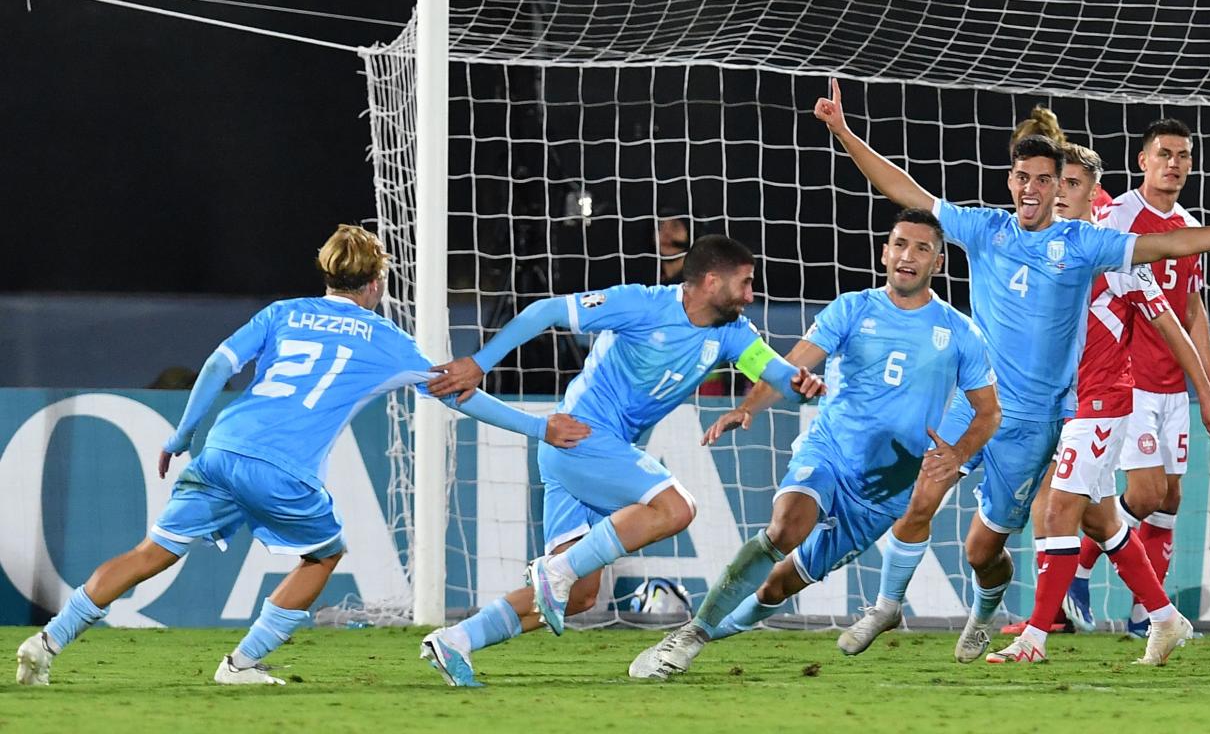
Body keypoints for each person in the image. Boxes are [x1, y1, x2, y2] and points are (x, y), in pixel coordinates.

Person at [815, 79, 1210, 663]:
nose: (1037, 190)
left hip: (1042, 417)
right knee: (929, 496)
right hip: (978, 402)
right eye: (1028, 178)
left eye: (1050, 180)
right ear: (1011, 182)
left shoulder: (1087, 243)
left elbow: (1172, 247)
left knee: (991, 545)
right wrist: (844, 132)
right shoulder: (984, 229)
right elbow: (906, 192)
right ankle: (891, 605)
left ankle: (1009, 613)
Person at [15, 225, 589, 688]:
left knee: (149, 552)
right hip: (281, 467)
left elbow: (217, 365)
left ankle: (46, 643)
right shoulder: (386, 339)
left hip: (223, 446)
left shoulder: (283, 312)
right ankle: (240, 664)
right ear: (377, 281)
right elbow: (461, 396)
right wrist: (539, 427)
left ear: (328, 273)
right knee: (323, 555)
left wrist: (182, 434)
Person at [419, 235, 825, 686]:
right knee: (676, 508)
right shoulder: (641, 305)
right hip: (581, 436)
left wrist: (802, 383)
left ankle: (456, 639)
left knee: (577, 597)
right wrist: (481, 362)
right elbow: (548, 310)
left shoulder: (731, 334)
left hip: (585, 455)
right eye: (745, 283)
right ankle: (552, 571)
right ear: (712, 282)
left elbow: (777, 374)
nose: (751, 295)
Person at [626, 209, 1000, 678]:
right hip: (829, 452)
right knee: (785, 527)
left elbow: (989, 412)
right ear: (885, 252)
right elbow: (790, 365)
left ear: (938, 263)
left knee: (776, 589)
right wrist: (749, 407)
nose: (908, 256)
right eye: (900, 244)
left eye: (922, 248)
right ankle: (689, 637)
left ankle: (707, 629)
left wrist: (960, 453)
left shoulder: (960, 332)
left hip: (884, 494)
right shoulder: (852, 308)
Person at [985, 143, 1210, 666]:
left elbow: (1171, 321)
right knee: (1103, 522)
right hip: (1061, 405)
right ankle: (1165, 619)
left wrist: (1207, 390)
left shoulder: (1113, 255)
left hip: (1104, 402)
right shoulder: (1037, 251)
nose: (1061, 194)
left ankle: (1034, 639)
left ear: (1095, 196)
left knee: (1058, 511)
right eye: (1058, 184)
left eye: (1074, 185)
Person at [1096, 118, 1210, 636]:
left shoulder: (1190, 225)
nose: (1174, 164)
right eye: (1164, 154)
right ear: (1142, 161)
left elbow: (1193, 308)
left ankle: (1143, 616)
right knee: (1148, 493)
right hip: (1128, 378)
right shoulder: (1118, 218)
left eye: (1183, 156)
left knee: (1171, 499)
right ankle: (1080, 573)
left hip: (1174, 385)